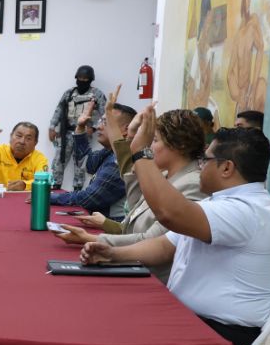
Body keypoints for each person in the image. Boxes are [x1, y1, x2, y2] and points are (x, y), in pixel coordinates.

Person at [81, 127, 270, 345]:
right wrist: (112, 254)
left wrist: (140, 153)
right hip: (195, 320)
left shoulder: (245, 210)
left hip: (220, 334)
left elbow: (168, 214)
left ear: (227, 168)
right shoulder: (223, 204)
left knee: (114, 340)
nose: (200, 167)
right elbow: (164, 246)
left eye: (205, 160)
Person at [58, 101, 207, 282]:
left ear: (180, 145)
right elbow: (134, 203)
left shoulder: (192, 185)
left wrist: (92, 239)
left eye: (155, 140)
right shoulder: (165, 175)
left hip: (155, 279)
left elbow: (151, 240)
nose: (150, 148)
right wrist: (131, 136)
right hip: (135, 268)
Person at [47, 100, 131, 218]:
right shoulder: (110, 151)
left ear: (126, 129)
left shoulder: (123, 159)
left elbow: (89, 198)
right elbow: (87, 163)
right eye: (100, 121)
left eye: (106, 122)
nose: (98, 126)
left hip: (114, 226)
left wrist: (49, 197)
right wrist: (80, 127)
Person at [48, 65, 108, 191]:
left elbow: (105, 115)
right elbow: (59, 110)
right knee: (59, 160)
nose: (82, 81)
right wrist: (52, 127)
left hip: (84, 135)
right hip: (67, 133)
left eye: (85, 79)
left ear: (90, 79)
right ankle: (55, 186)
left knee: (80, 163)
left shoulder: (96, 94)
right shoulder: (69, 93)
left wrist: (94, 128)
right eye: (80, 78)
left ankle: (77, 189)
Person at [0, 117, 49, 190]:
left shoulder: (39, 159)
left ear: (35, 142)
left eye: (28, 138)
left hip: (25, 200)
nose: (22, 141)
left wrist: (25, 185)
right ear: (10, 136)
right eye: (19, 136)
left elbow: (43, 181)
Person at [227, 0, 266, 113]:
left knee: (262, 86)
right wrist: (238, 95)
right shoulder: (238, 34)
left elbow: (261, 48)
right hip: (241, 95)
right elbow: (229, 73)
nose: (248, 1)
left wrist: (254, 88)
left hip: (250, 90)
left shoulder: (253, 22)